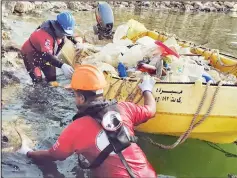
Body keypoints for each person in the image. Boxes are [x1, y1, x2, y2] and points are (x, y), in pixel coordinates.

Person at [18, 64, 158, 178]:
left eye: (75, 95)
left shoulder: (76, 128)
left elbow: (54, 155)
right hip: (149, 174)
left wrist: (27, 152)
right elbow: (150, 111)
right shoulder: (125, 108)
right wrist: (147, 90)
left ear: (81, 98)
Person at [20, 12, 83, 84]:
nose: (64, 36)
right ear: (57, 27)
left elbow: (67, 35)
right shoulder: (44, 34)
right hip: (31, 55)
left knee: (52, 79)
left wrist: (76, 43)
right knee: (38, 81)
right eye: (64, 33)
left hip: (47, 55)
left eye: (67, 33)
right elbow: (46, 55)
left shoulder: (61, 31)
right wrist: (62, 65)